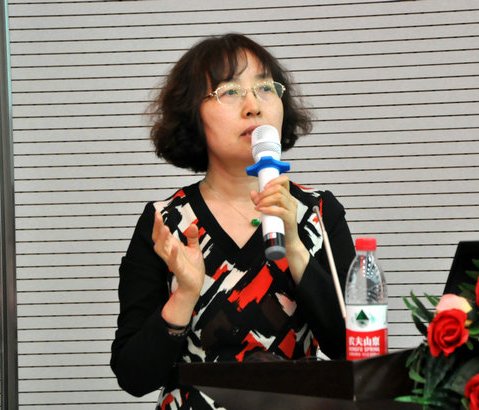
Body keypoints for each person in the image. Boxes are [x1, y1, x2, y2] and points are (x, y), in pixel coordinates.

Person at [110, 33, 356, 409]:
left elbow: (353, 351)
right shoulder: (166, 223)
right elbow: (133, 376)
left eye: (265, 88)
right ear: (193, 114)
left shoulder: (318, 213)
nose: (253, 106)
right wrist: (184, 295)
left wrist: (295, 248)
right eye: (230, 91)